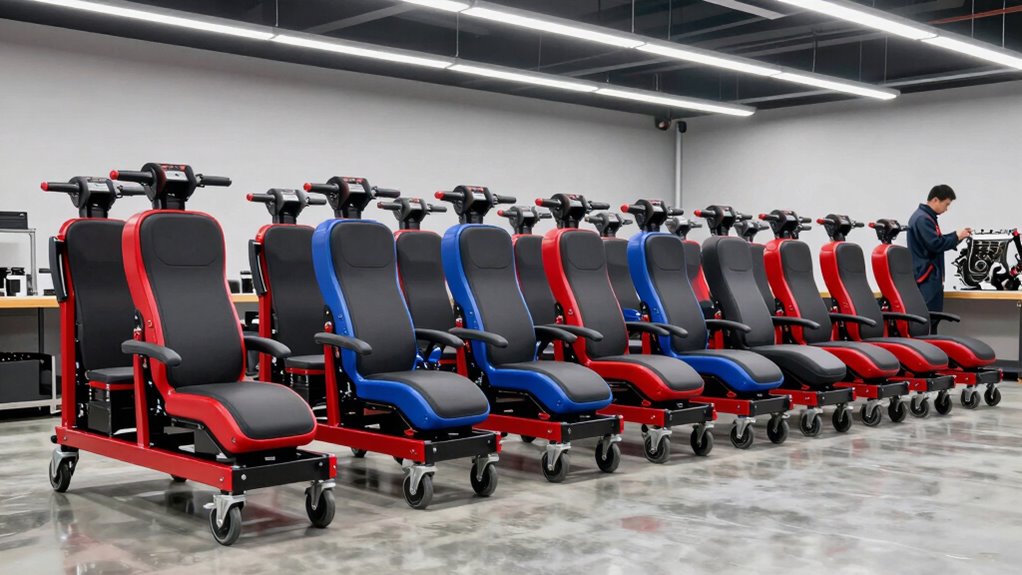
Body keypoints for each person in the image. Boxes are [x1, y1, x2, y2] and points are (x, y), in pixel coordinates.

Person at [907, 184, 972, 317]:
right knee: (929, 317)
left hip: (929, 277)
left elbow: (937, 240)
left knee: (933, 317)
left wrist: (958, 236)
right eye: (946, 204)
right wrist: (956, 236)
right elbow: (935, 244)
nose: (946, 209)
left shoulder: (926, 217)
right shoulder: (922, 219)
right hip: (926, 278)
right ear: (935, 200)